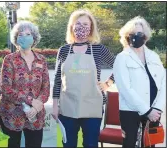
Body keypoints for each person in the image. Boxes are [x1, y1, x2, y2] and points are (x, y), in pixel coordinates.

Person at [52, 9, 116, 147]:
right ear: (72, 27)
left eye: (86, 25)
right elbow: (57, 80)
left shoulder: (98, 49)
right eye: (78, 24)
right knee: (68, 144)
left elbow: (119, 66)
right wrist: (55, 106)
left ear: (91, 28)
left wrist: (107, 83)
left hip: (92, 107)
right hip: (67, 107)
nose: (82, 28)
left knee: (90, 144)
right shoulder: (63, 50)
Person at [113, 16, 166, 148]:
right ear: (126, 36)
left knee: (149, 144)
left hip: (154, 111)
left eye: (140, 33)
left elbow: (163, 82)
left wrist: (157, 108)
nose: (136, 36)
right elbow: (125, 88)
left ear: (145, 36)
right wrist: (147, 111)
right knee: (130, 143)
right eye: (132, 34)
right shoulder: (122, 58)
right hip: (130, 111)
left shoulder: (154, 56)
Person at [0, 21, 50, 148]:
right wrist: (30, 100)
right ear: (16, 39)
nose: (24, 37)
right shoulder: (9, 59)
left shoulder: (41, 60)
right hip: (12, 115)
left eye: (28, 34)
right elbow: (6, 88)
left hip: (35, 115)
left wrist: (36, 107)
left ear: (34, 38)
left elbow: (46, 88)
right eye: (20, 34)